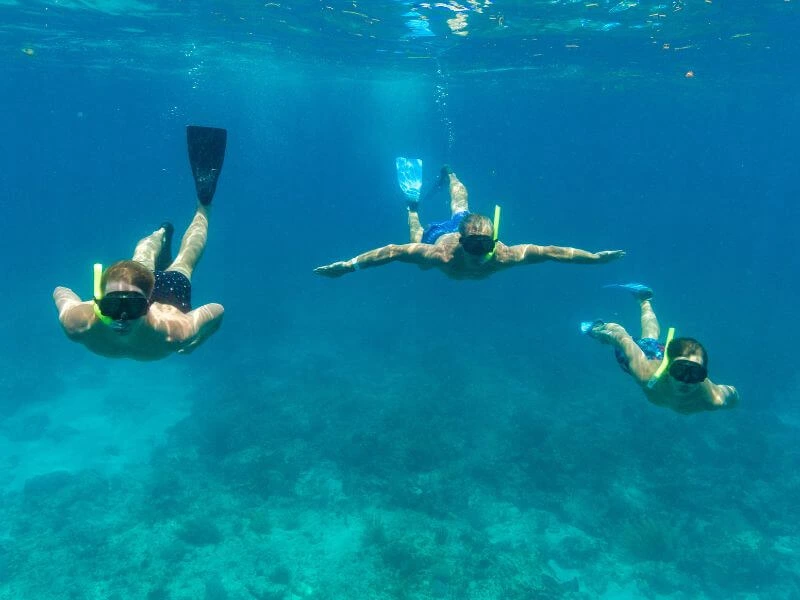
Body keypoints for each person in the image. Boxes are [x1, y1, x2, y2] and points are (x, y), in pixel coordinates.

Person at [53, 125, 227, 361]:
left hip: (169, 298)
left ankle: (203, 205)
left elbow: (217, 311)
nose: (122, 317)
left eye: (133, 306)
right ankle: (161, 233)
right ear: (99, 301)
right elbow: (60, 292)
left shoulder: (176, 331)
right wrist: (80, 304)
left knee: (183, 260)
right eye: (113, 305)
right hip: (139, 289)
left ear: (148, 303)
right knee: (144, 259)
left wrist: (198, 340)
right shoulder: (78, 324)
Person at [314, 166, 625, 280]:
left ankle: (450, 175)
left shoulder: (505, 255)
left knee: (461, 205)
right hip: (439, 236)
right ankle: (412, 206)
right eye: (473, 244)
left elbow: (552, 252)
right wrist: (348, 266)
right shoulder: (440, 255)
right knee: (416, 237)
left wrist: (593, 259)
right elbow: (394, 250)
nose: (479, 251)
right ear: (462, 243)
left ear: (493, 241)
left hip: (461, 223)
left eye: (484, 244)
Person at [581, 283, 739, 414]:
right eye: (680, 370)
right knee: (629, 337)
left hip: (662, 354)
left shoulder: (712, 399)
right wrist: (597, 332)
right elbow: (621, 339)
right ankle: (600, 326)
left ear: (703, 375)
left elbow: (731, 394)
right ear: (669, 366)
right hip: (648, 357)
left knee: (650, 337)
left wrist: (733, 397)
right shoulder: (645, 374)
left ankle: (644, 300)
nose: (685, 380)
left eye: (695, 373)